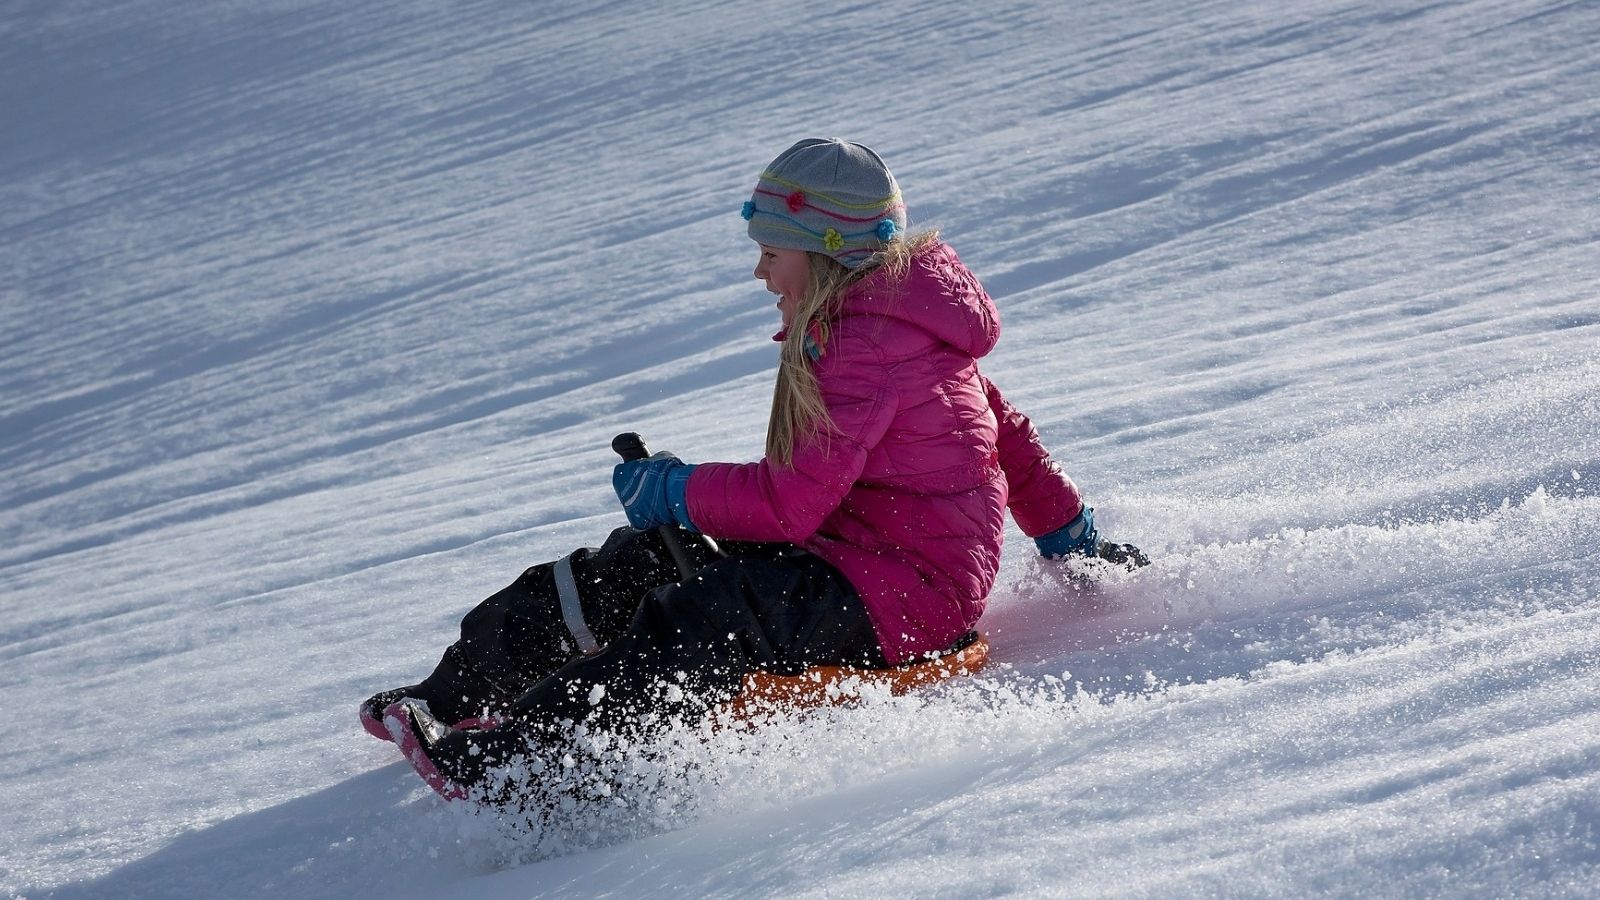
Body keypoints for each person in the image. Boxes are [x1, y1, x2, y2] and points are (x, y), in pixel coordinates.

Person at [370, 138, 1147, 804]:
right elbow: (1011, 439)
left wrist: (676, 489)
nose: (761, 275)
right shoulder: (897, 329)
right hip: (854, 562)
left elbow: (786, 508)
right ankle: (454, 697)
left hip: (903, 599)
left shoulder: (867, 349)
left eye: (771, 255)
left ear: (827, 255)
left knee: (707, 611)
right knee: (642, 562)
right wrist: (1070, 536)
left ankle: (529, 768)